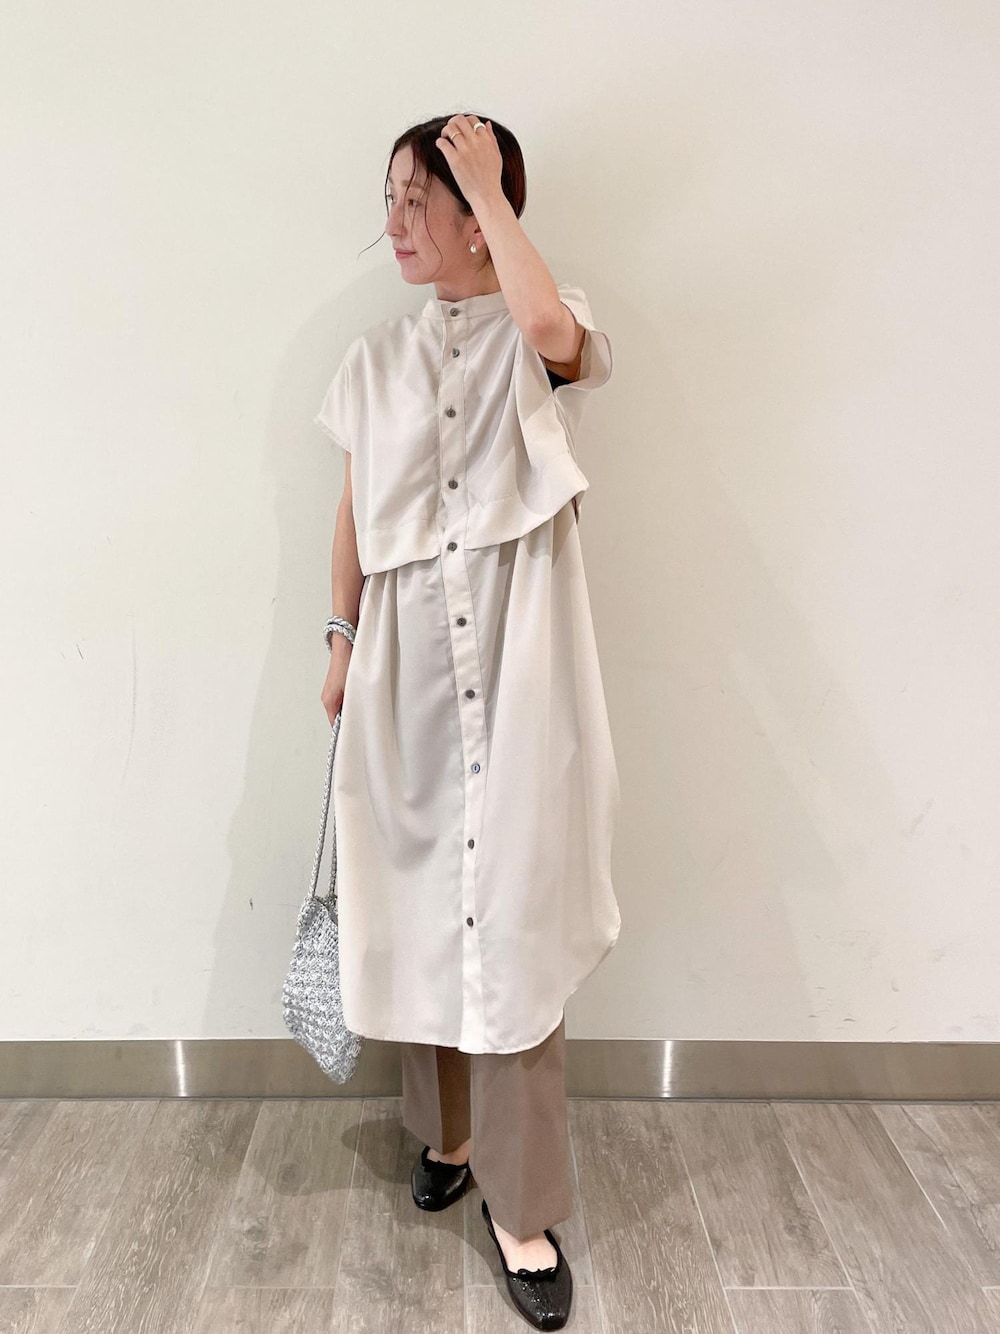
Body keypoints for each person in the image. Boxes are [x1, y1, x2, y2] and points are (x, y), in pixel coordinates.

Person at [315, 112, 621, 1331]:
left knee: (515, 918)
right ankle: (445, 1133)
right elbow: (352, 516)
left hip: (519, 658)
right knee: (420, 898)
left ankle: (524, 1203)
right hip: (402, 672)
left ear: (477, 214)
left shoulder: (542, 323)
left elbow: (550, 334)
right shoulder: (373, 362)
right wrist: (338, 641)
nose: (392, 222)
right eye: (388, 197)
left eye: (416, 198)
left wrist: (492, 189)